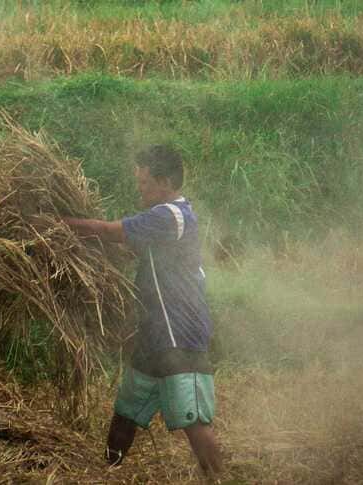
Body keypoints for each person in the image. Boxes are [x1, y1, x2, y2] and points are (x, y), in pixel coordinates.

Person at [63, 144, 223, 476]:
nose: (140, 189)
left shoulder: (171, 215)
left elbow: (109, 231)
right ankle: (108, 473)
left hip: (179, 335)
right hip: (154, 337)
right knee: (126, 411)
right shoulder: (161, 222)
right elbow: (126, 250)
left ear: (164, 182)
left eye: (145, 183)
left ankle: (220, 479)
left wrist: (57, 223)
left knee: (193, 419)